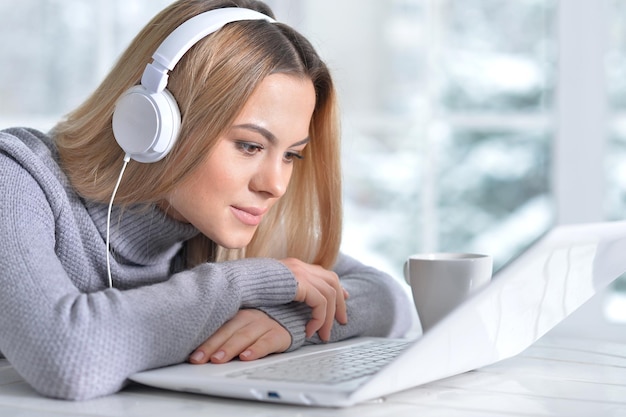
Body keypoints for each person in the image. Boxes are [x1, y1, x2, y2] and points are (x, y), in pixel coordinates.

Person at [0, 0, 416, 401]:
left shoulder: (226, 220)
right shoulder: (17, 177)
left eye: (291, 155)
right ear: (154, 126)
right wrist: (247, 283)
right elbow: (67, 357)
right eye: (250, 146)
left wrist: (287, 321)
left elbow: (386, 298)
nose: (276, 185)